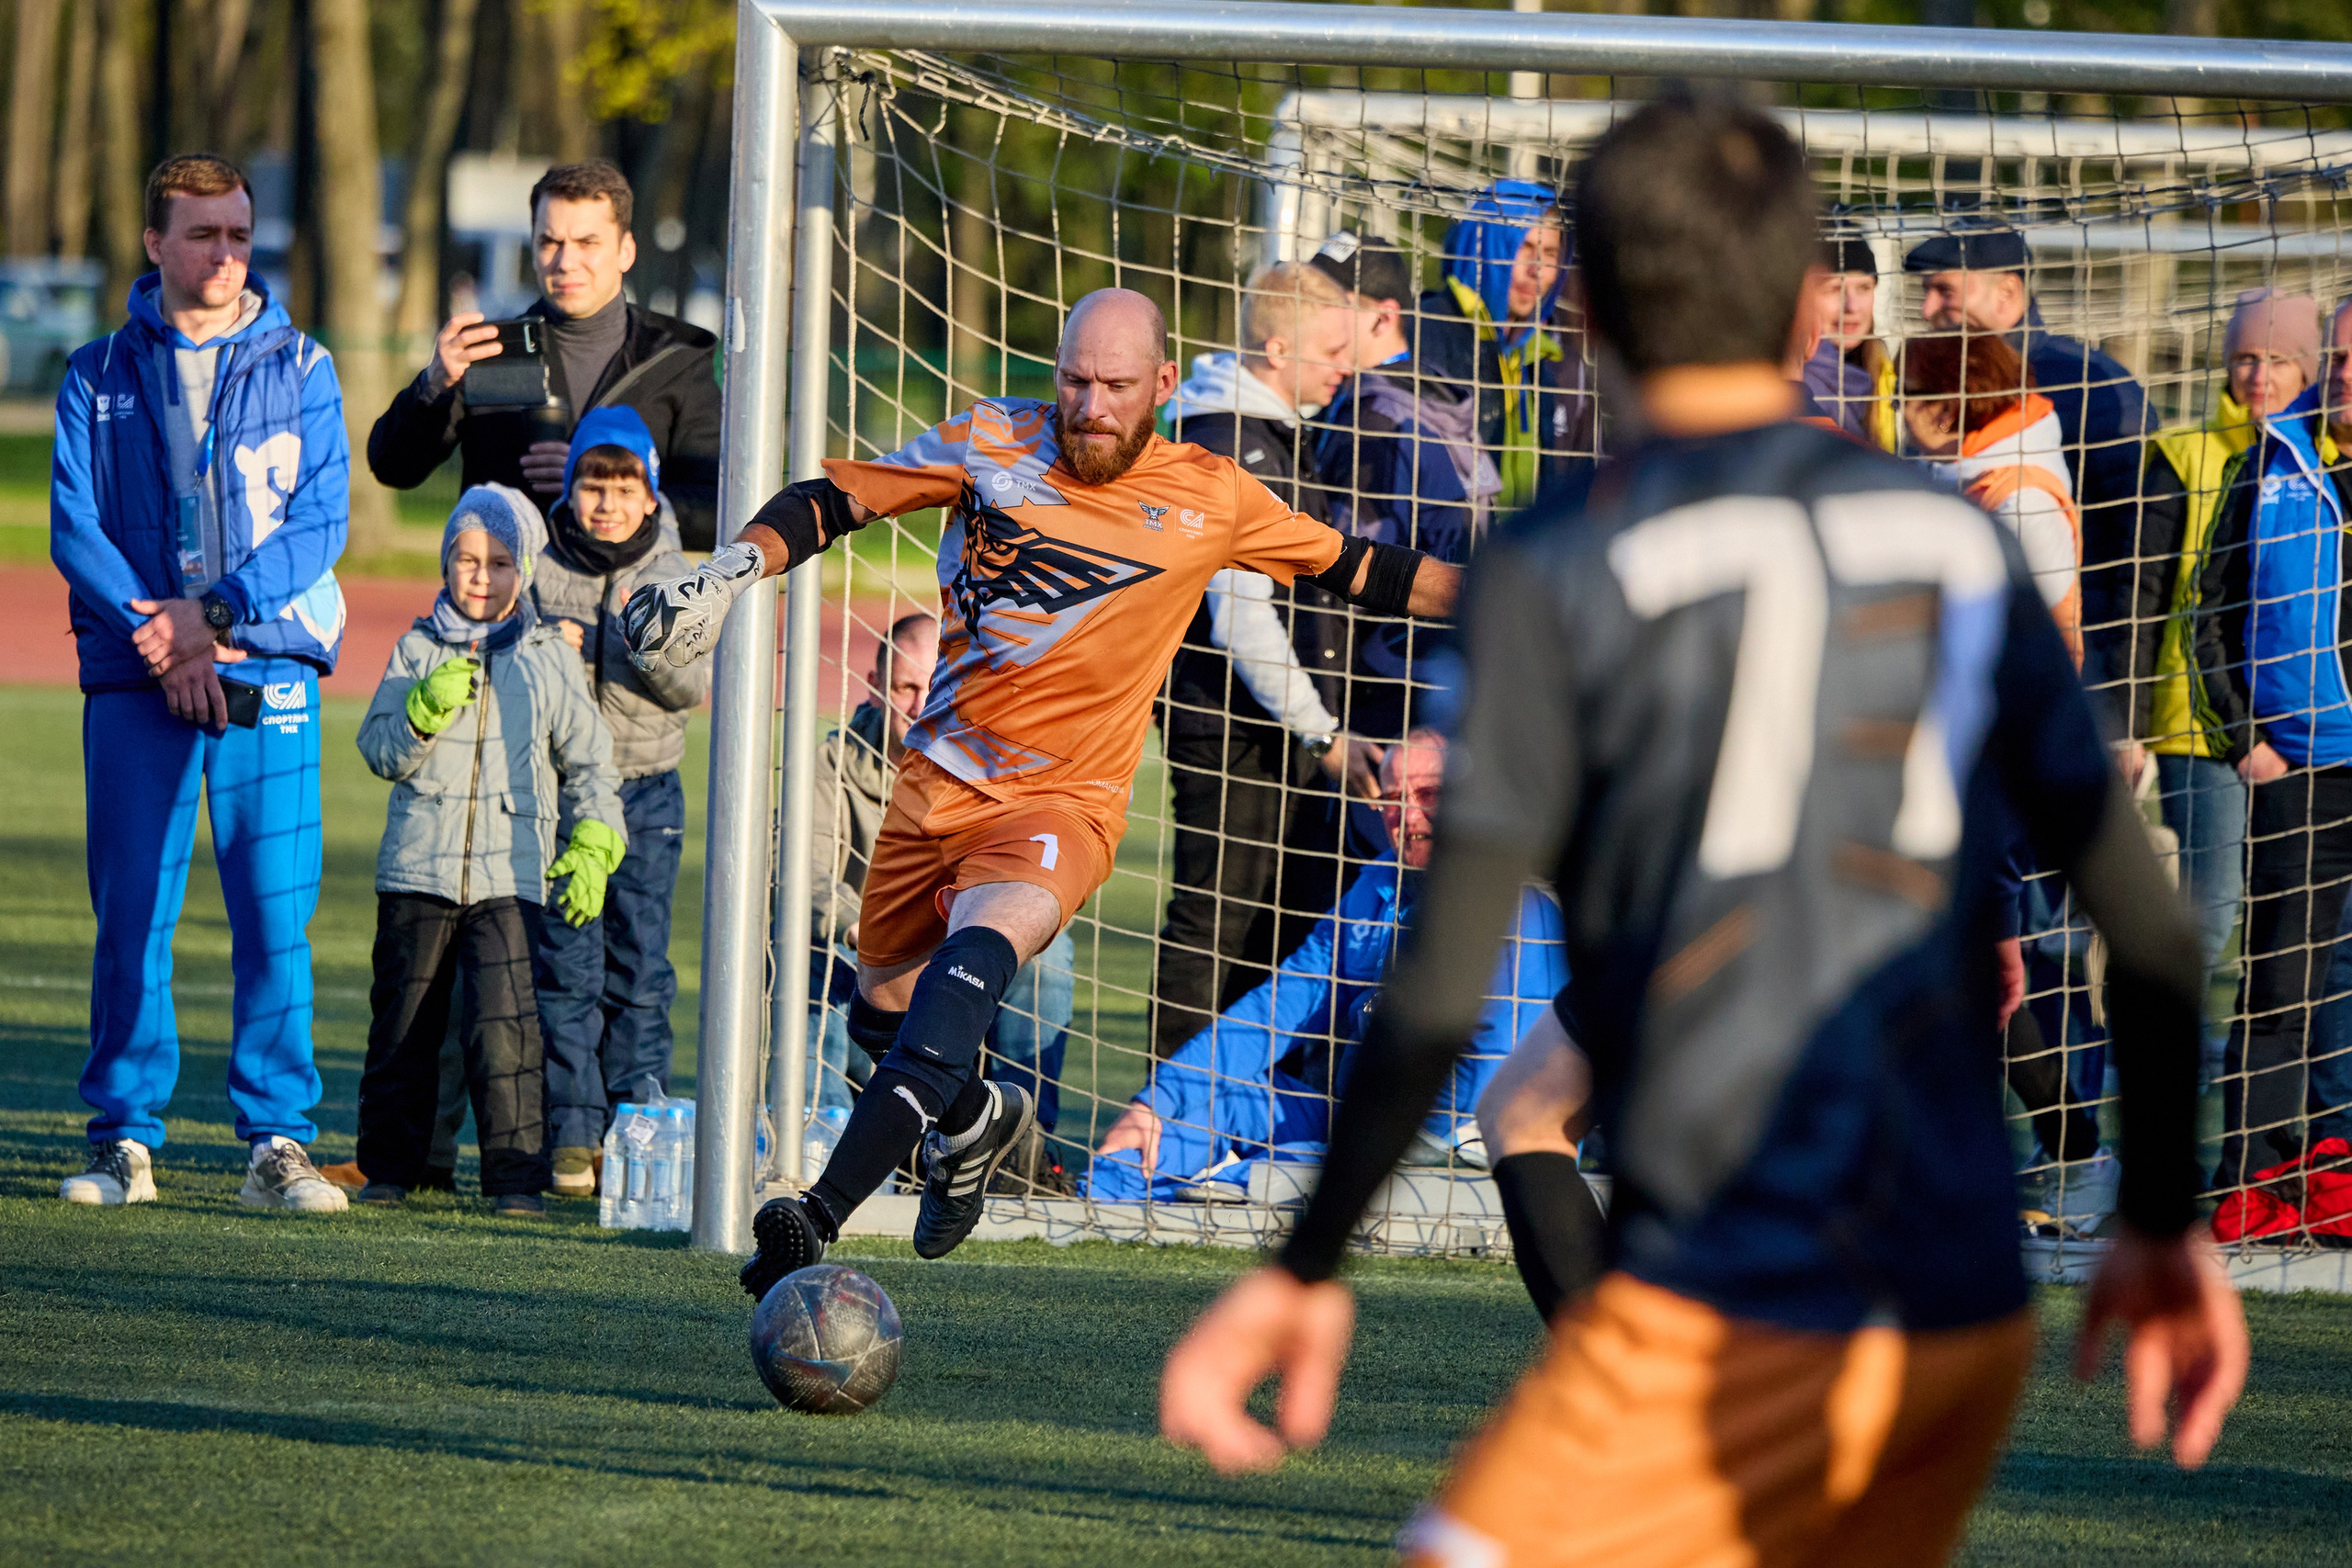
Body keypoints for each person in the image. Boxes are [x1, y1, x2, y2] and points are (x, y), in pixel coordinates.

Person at [1160, 96, 2245, 1566]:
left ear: (1586, 308)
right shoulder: (1953, 536)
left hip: (1744, 1280)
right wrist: (2165, 1221)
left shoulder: (1559, 562)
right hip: (1961, 1290)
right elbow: (2153, 931)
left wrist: (1307, 1262)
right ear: (1809, 308)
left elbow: (1441, 980)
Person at [620, 286, 1461, 1289]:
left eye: (1115, 386)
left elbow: (1362, 568)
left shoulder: (1211, 493)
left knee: (973, 960)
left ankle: (819, 1212)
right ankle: (978, 1119)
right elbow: (836, 500)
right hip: (934, 785)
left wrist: (1511, 595)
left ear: (1161, 384)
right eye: (1073, 381)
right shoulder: (989, 442)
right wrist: (729, 571)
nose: (1090, 407)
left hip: (1063, 805)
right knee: (881, 1018)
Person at [50, 153, 351, 1213]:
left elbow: (322, 523)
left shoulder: (304, 365)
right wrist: (167, 639)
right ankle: (123, 1142)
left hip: (264, 667)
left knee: (275, 913)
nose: (226, 254)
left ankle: (277, 1142)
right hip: (139, 677)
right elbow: (73, 526)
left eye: (239, 234)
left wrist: (212, 617)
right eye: (202, 233)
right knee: (133, 911)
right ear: (154, 244)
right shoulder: (96, 373)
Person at [1088, 731, 1566, 1201]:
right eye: (1392, 799)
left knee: (1260, 1180)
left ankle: (1207, 1191)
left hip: (1459, 1155)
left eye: (1429, 795)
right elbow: (1277, 1009)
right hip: (1351, 1125)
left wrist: (1377, 1147)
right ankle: (1105, 1195)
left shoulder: (1522, 908)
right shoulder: (1379, 886)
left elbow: (1491, 1066)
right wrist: (1157, 1102)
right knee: (1203, 1102)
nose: (1407, 816)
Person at [352, 485, 627, 1215]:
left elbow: (592, 764)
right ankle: (389, 1170)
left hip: (511, 875)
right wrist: (420, 712)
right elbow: (378, 750)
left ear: (524, 570)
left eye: (500, 562)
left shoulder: (549, 659)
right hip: (416, 868)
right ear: (446, 563)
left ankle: (514, 1180)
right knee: (404, 1024)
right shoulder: (417, 647)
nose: (481, 575)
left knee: (505, 1032)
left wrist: (596, 838)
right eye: (467, 559)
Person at [1155, 260, 1375, 1057]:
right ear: (1278, 349)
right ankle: (1166, 1116)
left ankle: (1238, 1107)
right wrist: (1323, 732)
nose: (1346, 366)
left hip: (1269, 726)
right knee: (1216, 924)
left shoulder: (1271, 432)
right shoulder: (1226, 445)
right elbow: (1241, 619)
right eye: (1333, 350)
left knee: (1269, 932)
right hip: (1233, 728)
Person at [2188, 292, 2352, 1239]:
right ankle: (2251, 1178)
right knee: (2280, 982)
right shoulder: (2270, 461)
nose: (2345, 375)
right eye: (2338, 357)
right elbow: (2208, 610)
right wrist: (2242, 737)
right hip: (2301, 771)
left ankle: (2337, 1168)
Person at [806, 612, 1077, 1186]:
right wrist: (872, 935)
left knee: (1050, 955)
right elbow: (805, 876)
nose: (918, 703)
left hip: (960, 960)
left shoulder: (993, 766)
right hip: (873, 971)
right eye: (904, 686)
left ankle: (1020, 1151)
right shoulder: (831, 764)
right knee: (813, 962)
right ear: (874, 686)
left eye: (932, 685)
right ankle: (824, 1151)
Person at [2121, 289, 2309, 1093]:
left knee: (2297, 918)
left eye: (2278, 360)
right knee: (2210, 910)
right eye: (2244, 358)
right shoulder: (2184, 453)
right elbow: (2143, 594)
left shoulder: (2318, 460)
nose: (2258, 374)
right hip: (2200, 728)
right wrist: (2127, 719)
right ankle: (2172, 1079)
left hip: (2307, 731)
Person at [527, 408, 710, 1197]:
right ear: (570, 489)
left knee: (638, 969)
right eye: (592, 486)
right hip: (564, 795)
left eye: (624, 487)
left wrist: (646, 640)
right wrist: (546, 650)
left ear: (650, 493)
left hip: (647, 792)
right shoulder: (538, 565)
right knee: (567, 965)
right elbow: (511, 675)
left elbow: (690, 687)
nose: (607, 503)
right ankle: (572, 1135)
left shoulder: (677, 575)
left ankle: (635, 1130)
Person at [366, 161, 724, 548]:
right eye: (550, 242)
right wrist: (433, 387)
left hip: (634, 588)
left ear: (626, 252)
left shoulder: (677, 359)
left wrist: (597, 484)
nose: (565, 262)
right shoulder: (493, 350)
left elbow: (714, 511)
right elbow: (393, 468)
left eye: (587, 243)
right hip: (509, 586)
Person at [1905, 224, 2152, 707]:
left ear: (2007, 293)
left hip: (2069, 679)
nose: (1926, 309)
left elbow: (2139, 556)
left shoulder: (2091, 385)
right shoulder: (1934, 384)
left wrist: (2120, 703)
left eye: (1944, 291)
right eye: (1925, 292)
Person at [1312, 233, 1497, 745]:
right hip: (1446, 670)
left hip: (1384, 685)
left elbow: (1339, 572)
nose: (1314, 318)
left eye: (1332, 304)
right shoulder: (1436, 390)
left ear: (1383, 316)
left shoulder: (1372, 417)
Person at [1899, 329, 2083, 660]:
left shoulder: (2024, 503)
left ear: (1946, 410)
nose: (1894, 407)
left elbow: (2006, 628)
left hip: (2020, 684)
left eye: (1903, 393)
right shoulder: (1958, 470)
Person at [1415, 183, 1593, 511]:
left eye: (1550, 254)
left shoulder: (1560, 364)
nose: (1536, 270)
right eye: (1524, 247)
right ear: (1485, 246)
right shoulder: (1422, 335)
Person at [1802, 232, 1896, 449]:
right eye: (1834, 289)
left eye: (1864, 288)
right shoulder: (1800, 380)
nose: (1851, 306)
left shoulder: (1883, 366)